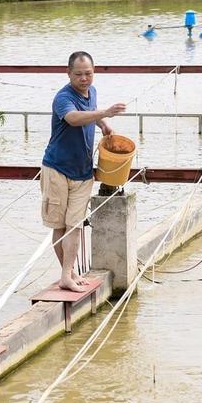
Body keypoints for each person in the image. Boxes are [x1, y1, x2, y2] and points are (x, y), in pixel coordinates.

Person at [41, 51, 126, 292]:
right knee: (59, 225)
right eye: (78, 74)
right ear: (68, 74)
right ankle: (68, 274)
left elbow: (93, 111)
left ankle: (68, 274)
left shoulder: (93, 93)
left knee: (75, 224)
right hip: (57, 169)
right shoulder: (63, 98)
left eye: (88, 74)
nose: (84, 79)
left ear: (94, 72)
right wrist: (104, 114)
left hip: (83, 171)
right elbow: (73, 119)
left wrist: (104, 124)